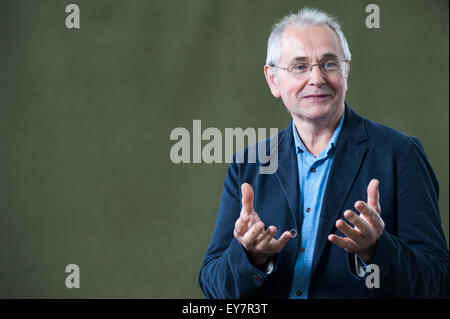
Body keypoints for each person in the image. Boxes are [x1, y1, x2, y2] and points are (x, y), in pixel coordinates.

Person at [198, 7, 449, 298]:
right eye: (300, 66)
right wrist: (249, 256)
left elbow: (438, 283)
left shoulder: (400, 154)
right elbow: (214, 287)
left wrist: (377, 250)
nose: (316, 78)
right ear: (273, 80)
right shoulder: (249, 164)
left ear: (346, 70)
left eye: (329, 64)